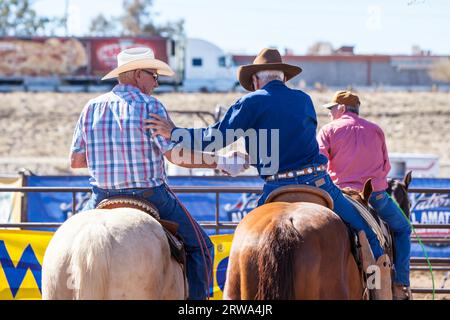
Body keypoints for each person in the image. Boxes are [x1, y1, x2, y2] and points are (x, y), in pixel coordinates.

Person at [145, 48, 389, 280]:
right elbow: (294, 139)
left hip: (276, 187)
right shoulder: (303, 100)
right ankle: (381, 285)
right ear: (283, 78)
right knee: (369, 234)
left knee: (247, 246)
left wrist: (174, 132)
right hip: (318, 183)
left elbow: (215, 139)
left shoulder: (250, 102)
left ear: (255, 81)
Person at [69, 47, 245, 300]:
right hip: (150, 196)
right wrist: (222, 162)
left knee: (68, 242)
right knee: (202, 246)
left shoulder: (91, 107)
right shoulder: (150, 106)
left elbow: (76, 160)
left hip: (101, 198)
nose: (156, 82)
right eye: (154, 76)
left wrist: (111, 155)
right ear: (139, 74)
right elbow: (175, 156)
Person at [317, 90, 412, 300]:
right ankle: (399, 283)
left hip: (339, 197)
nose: (331, 113)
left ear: (341, 109)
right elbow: (385, 166)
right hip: (375, 197)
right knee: (403, 229)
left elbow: (320, 163)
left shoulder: (328, 130)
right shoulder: (376, 130)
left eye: (332, 109)